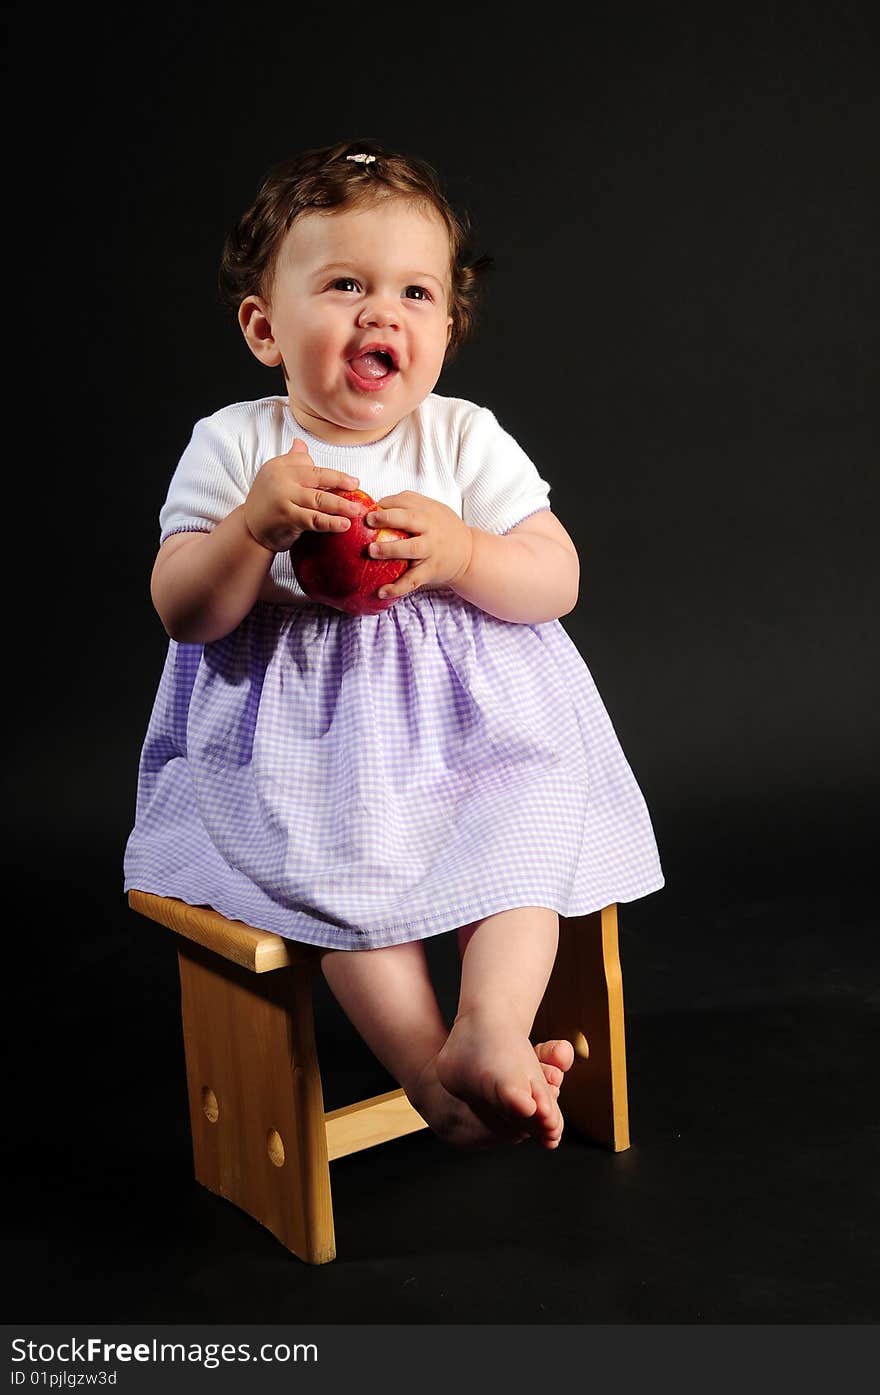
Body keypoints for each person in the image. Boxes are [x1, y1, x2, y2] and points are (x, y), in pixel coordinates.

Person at [124, 137, 664, 1152]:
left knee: (530, 834)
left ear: (446, 333)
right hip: (305, 753)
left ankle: (491, 1027)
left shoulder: (460, 439)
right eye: (342, 284)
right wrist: (250, 530)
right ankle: (432, 1073)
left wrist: (462, 551)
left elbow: (557, 577)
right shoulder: (240, 445)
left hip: (475, 741)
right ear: (263, 327)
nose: (380, 312)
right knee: (339, 883)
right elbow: (183, 612)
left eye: (414, 293)